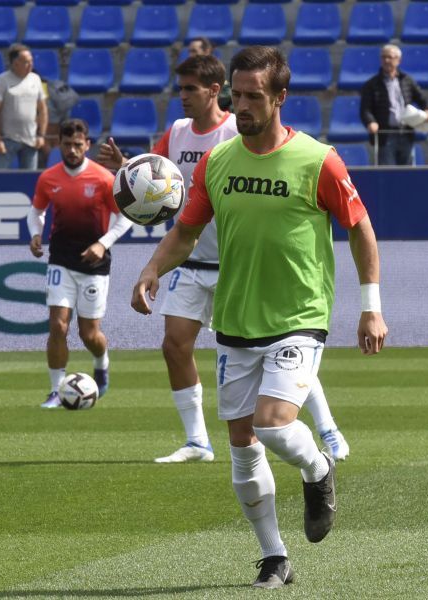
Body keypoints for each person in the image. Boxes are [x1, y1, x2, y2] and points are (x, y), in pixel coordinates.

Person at [131, 46, 388, 588]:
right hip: (235, 320)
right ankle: (274, 556)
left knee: (273, 425)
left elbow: (360, 227)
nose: (241, 105)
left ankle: (318, 468)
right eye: (236, 95)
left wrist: (371, 309)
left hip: (299, 315)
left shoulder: (319, 160)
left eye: (252, 96)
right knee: (243, 446)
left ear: (279, 98)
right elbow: (186, 230)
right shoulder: (219, 163)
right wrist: (152, 268)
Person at [98, 55, 353, 464]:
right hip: (193, 258)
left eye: (190, 89)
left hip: (239, 266)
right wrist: (128, 170)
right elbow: (157, 178)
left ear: (214, 91)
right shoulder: (178, 132)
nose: (182, 97)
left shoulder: (241, 130)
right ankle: (198, 441)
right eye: (179, 89)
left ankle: (327, 429)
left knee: (284, 349)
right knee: (174, 344)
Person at [28, 118, 133, 408]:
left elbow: (125, 217)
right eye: (67, 144)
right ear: (58, 144)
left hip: (94, 265)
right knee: (58, 326)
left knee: (89, 334)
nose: (72, 150)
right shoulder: (49, 178)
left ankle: (101, 361)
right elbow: (36, 210)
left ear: (87, 145)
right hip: (60, 260)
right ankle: (54, 391)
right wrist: (36, 233)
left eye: (78, 145)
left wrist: (103, 244)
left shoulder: (103, 178)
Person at [359, 44, 428, 166]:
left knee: (408, 175)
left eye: (390, 57)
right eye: (383, 57)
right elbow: (365, 109)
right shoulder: (371, 84)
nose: (386, 60)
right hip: (385, 136)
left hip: (406, 134)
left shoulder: (407, 80)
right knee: (387, 173)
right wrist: (370, 122)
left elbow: (422, 98)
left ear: (398, 60)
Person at [0, 44, 48, 170]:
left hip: (30, 139)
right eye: (27, 62)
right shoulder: (1, 80)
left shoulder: (36, 79)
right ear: (15, 63)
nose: (31, 65)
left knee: (29, 180)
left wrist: (41, 135)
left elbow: (43, 109)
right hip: (7, 139)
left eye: (31, 61)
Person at [185, 37, 232, 112]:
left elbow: (227, 95)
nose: (190, 55)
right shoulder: (189, 76)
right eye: (189, 52)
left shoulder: (216, 72)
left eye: (194, 51)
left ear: (207, 51)